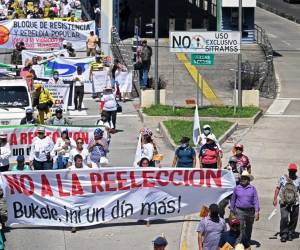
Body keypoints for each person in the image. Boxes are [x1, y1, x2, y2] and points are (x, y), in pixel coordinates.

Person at [230, 170, 260, 246]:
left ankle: (247, 241)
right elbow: (233, 200)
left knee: (249, 228)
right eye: (242, 178)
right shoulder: (237, 188)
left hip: (250, 212)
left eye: (245, 178)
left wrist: (257, 212)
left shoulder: (253, 189)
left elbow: (256, 200)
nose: (243, 180)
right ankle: (239, 243)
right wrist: (231, 212)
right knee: (240, 227)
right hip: (239, 211)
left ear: (248, 180)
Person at [273, 163, 300, 242]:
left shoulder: (298, 180)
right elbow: (278, 188)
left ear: (296, 171)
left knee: (293, 219)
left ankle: (291, 233)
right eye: (291, 171)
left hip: (295, 203)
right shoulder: (282, 178)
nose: (292, 172)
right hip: (284, 202)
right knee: (284, 218)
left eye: (293, 171)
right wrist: (275, 198)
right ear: (288, 171)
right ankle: (284, 233)